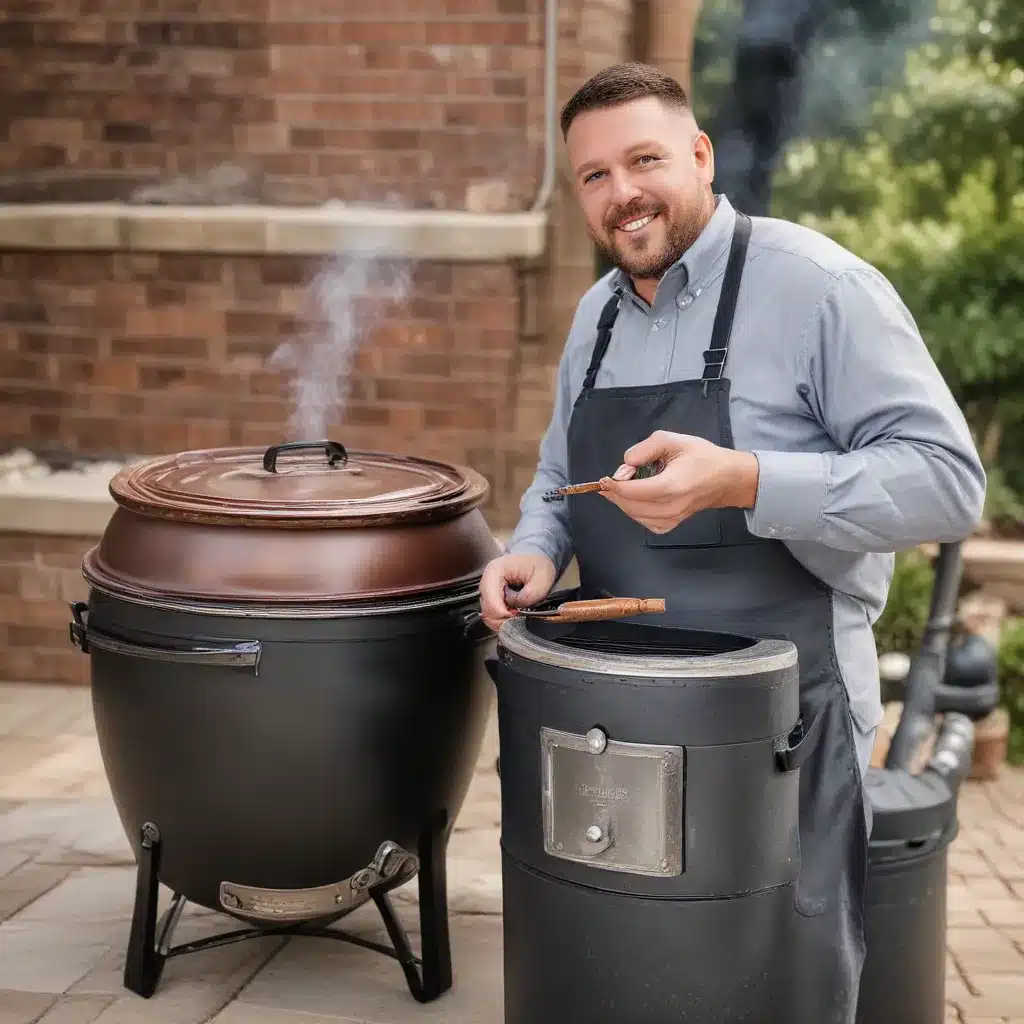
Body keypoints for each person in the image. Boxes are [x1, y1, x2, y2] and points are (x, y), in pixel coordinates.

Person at [479, 61, 986, 1022]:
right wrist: (535, 549)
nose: (621, 192)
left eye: (644, 160)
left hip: (780, 724)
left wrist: (746, 480)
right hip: (616, 714)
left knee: (771, 978)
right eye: (593, 175)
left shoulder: (818, 287)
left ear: (701, 156)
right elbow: (556, 479)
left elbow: (948, 483)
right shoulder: (593, 319)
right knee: (619, 963)